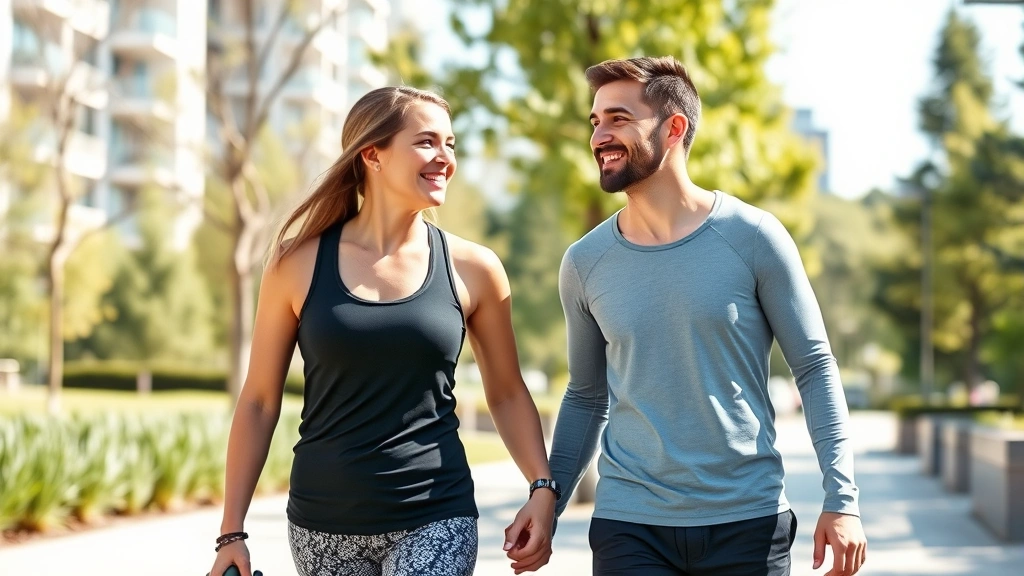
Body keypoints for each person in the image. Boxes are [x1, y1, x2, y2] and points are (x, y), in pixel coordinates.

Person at [539, 56, 868, 576]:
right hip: (630, 525)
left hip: (747, 523)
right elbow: (586, 394)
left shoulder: (754, 237)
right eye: (595, 121)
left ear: (674, 128)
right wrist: (548, 500)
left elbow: (814, 367)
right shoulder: (584, 262)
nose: (599, 135)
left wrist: (842, 498)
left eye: (618, 119)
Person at [208, 86, 556, 576]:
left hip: (436, 514)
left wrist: (542, 487)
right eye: (427, 142)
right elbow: (259, 401)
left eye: (451, 144)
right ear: (372, 154)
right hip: (323, 524)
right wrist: (231, 531)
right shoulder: (296, 263)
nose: (445, 159)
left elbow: (505, 391)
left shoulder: (474, 267)